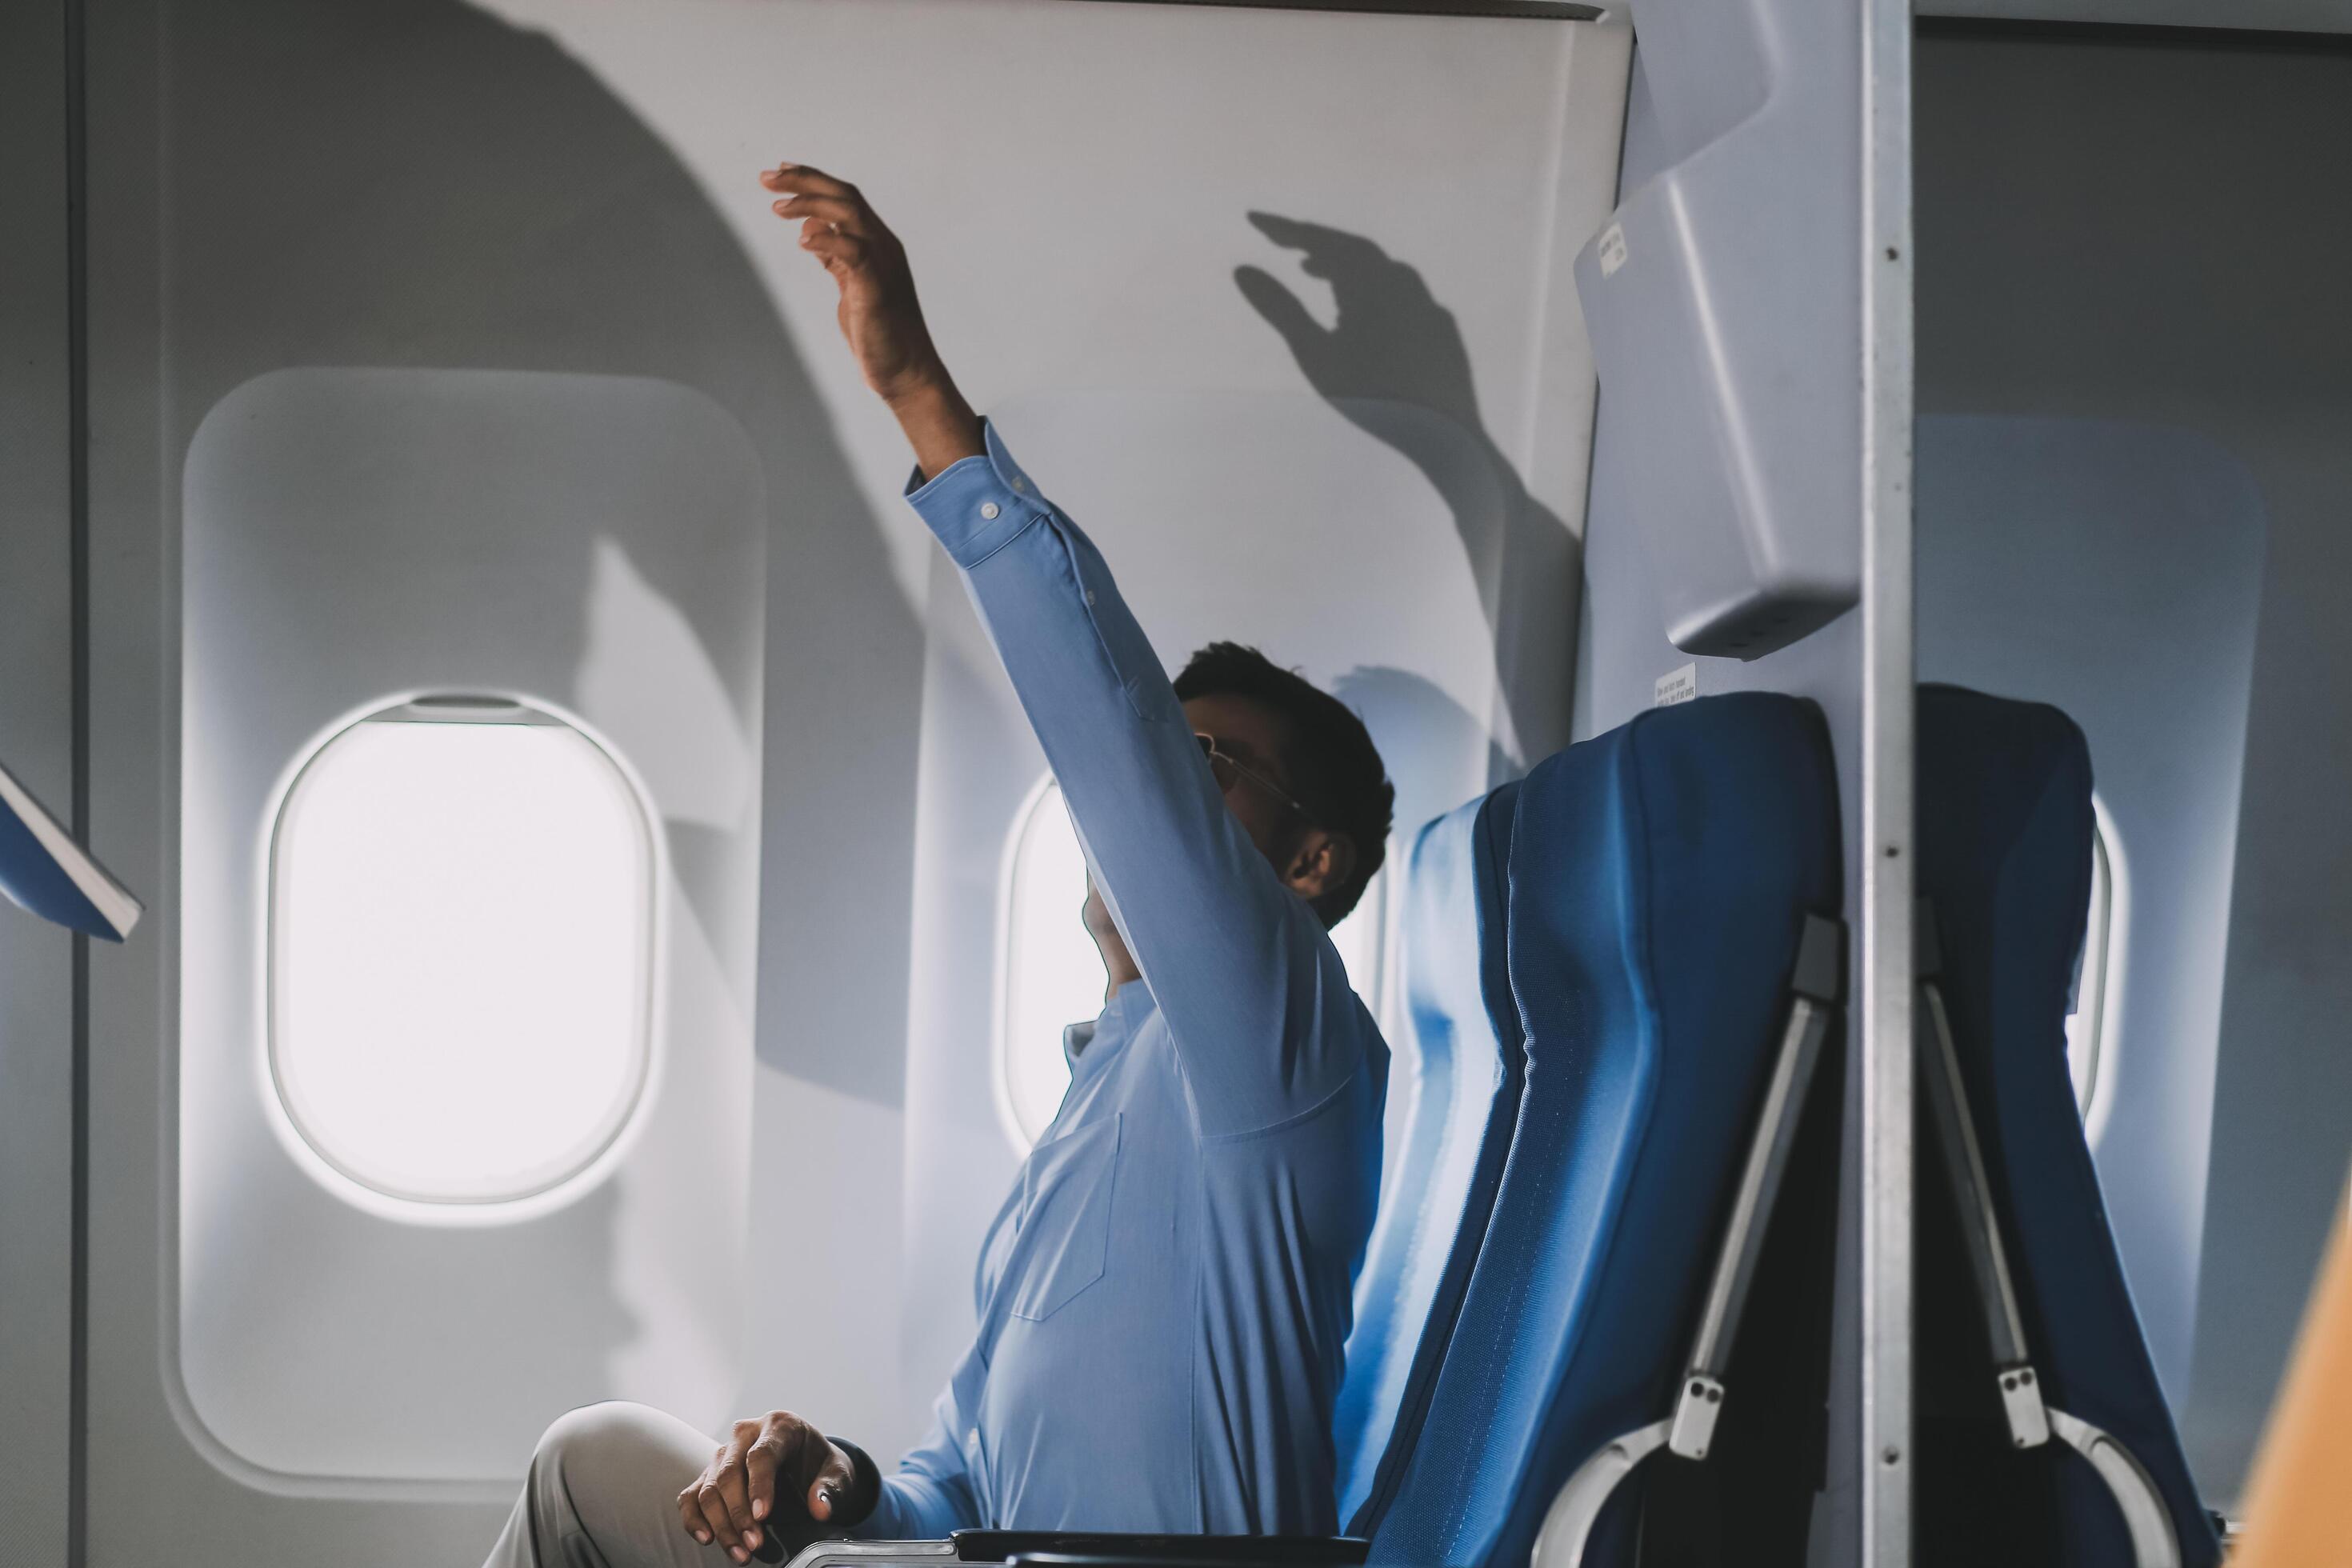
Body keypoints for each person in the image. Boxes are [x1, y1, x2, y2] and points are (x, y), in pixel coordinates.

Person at [482, 165, 1394, 1568]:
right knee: (599, 1458)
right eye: (1178, 751)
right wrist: (826, 1479)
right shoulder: (1097, 1102)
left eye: (1204, 764)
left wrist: (927, 409)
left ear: (1312, 862)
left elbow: (1119, 757)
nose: (1145, 796)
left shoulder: (1285, 1047)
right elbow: (952, 1486)